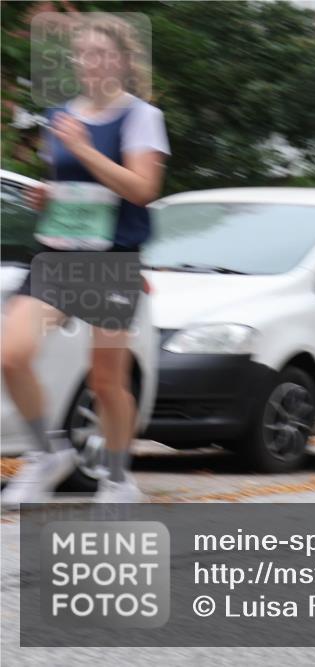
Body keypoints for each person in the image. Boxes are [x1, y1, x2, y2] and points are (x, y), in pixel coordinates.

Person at [1, 14, 169, 504]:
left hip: (112, 259)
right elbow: (83, 190)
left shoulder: (140, 116)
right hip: (57, 254)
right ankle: (46, 454)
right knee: (11, 355)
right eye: (83, 54)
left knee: (106, 379)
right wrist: (49, 195)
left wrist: (84, 149)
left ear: (121, 60)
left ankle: (118, 477)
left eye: (101, 53)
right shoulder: (61, 114)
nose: (90, 62)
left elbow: (141, 188)